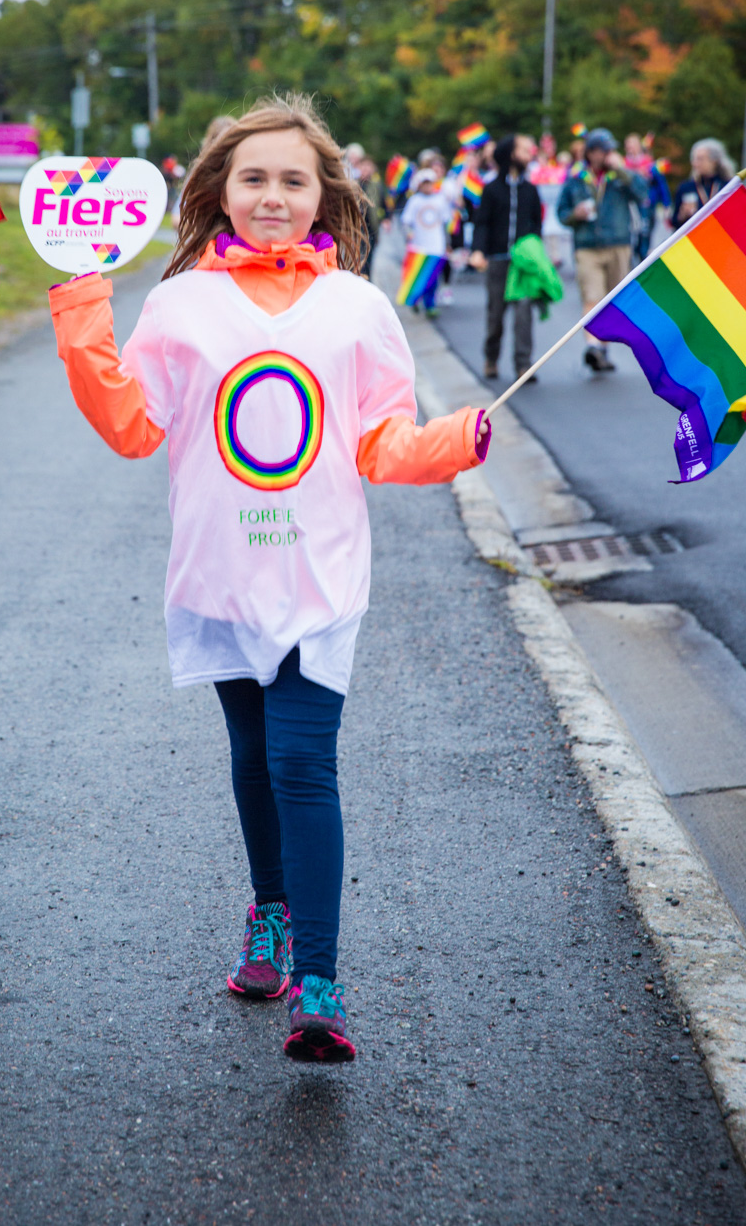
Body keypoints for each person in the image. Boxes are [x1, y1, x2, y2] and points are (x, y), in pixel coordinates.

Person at [48, 95, 491, 1064]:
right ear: (219, 192)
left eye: (294, 179)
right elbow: (131, 425)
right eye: (253, 178)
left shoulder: (358, 308)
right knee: (251, 757)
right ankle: (272, 913)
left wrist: (458, 440)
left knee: (301, 762)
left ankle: (320, 988)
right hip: (219, 575)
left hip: (320, 578)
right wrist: (83, 305)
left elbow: (382, 442)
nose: (273, 196)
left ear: (326, 195)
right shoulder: (178, 305)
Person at [557, 127, 649, 372]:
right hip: (587, 246)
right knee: (592, 296)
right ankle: (593, 346)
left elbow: (642, 194)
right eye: (602, 150)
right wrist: (574, 215)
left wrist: (621, 169)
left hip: (618, 244)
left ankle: (603, 349)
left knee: (611, 301)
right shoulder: (577, 178)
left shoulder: (621, 176)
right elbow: (561, 212)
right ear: (591, 153)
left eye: (610, 150)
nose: (607, 154)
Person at [469, 134, 542, 379]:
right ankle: (491, 357)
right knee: (496, 315)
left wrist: (538, 257)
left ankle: (523, 364)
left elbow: (536, 226)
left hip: (522, 265)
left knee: (523, 313)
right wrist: (478, 251)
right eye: (523, 149)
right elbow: (482, 224)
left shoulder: (531, 190)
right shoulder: (491, 189)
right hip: (498, 261)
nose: (528, 154)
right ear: (510, 154)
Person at [397, 167, 455, 316]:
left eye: (430, 183)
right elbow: (406, 221)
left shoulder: (440, 200)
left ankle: (430, 305)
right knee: (418, 274)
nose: (428, 187)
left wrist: (448, 243)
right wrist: (408, 235)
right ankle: (415, 300)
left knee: (433, 276)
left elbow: (445, 223)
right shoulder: (415, 200)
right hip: (419, 244)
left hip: (436, 245)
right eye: (425, 184)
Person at [624, 133, 671, 263]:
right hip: (631, 205)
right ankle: (635, 259)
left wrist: (666, 204)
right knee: (634, 235)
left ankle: (642, 259)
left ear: (639, 146)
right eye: (628, 146)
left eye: (632, 145)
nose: (630, 148)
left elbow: (661, 184)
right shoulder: (623, 165)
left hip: (648, 204)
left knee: (646, 233)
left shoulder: (649, 163)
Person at [671, 138, 735, 226]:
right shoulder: (686, 187)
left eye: (700, 159)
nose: (695, 163)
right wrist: (683, 215)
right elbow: (674, 222)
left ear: (714, 161)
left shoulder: (729, 187)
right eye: (694, 159)